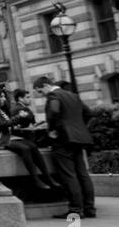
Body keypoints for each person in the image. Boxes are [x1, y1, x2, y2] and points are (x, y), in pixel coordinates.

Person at [33, 75, 96, 219]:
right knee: (82, 174)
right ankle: (89, 208)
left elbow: (54, 111)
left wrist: (53, 129)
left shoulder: (53, 95)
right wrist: (78, 127)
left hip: (63, 140)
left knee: (69, 174)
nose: (42, 96)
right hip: (79, 139)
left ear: (45, 86)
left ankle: (75, 210)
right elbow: (88, 113)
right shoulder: (73, 95)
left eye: (40, 92)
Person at [0, 89, 57, 191]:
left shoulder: (2, 110)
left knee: (33, 146)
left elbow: (9, 125)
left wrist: (18, 123)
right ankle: (35, 180)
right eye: (1, 96)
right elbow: (1, 124)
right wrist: (18, 116)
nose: (4, 99)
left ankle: (47, 177)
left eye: (4, 96)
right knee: (25, 149)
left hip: (7, 137)